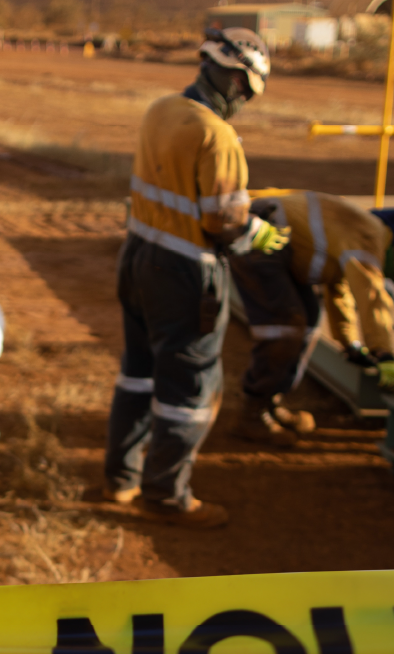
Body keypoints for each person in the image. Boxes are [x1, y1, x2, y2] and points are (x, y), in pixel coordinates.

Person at [104, 26, 289, 529]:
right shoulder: (218, 136)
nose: (244, 102)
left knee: (138, 373)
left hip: (138, 257)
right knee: (188, 389)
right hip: (184, 274)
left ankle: (122, 477)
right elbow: (224, 221)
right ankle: (165, 495)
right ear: (235, 80)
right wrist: (261, 236)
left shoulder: (160, 109)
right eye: (247, 92)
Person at [227, 193, 394, 445]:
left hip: (281, 246)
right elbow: (371, 294)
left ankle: (270, 402)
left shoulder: (360, 234)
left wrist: (350, 345)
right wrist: (384, 354)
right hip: (264, 238)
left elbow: (339, 289)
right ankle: (252, 413)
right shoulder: (371, 237)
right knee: (285, 327)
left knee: (308, 320)